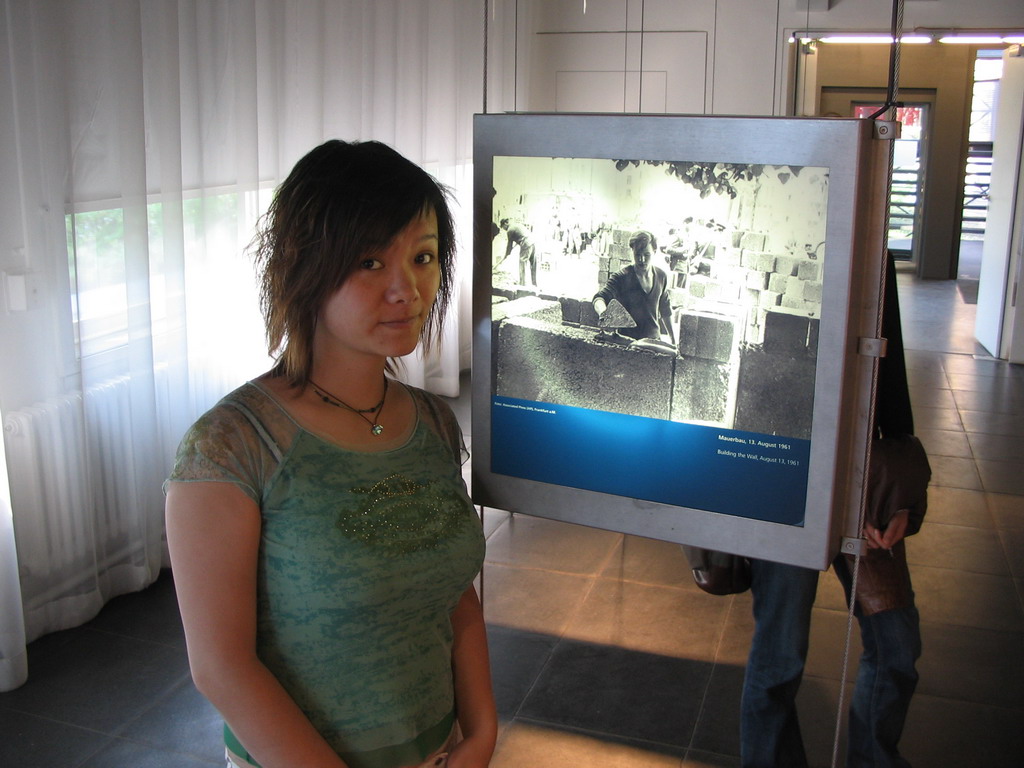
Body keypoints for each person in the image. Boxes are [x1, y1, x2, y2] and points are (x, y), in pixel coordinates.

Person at [164, 139, 497, 768]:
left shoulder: (430, 424)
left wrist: (481, 734)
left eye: (423, 258)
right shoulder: (232, 445)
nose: (407, 289)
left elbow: (453, 593)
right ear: (305, 266)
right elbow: (221, 668)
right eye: (371, 261)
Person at [741, 253, 924, 768]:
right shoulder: (784, 241)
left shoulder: (868, 232)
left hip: (863, 484)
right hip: (784, 482)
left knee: (896, 647)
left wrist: (900, 489)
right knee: (778, 659)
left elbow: (891, 370)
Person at [592, 230, 676, 344]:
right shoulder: (621, 277)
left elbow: (665, 310)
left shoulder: (661, 276)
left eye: (647, 255)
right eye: (637, 255)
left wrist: (673, 340)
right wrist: (604, 315)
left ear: (654, 252)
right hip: (626, 343)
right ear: (632, 252)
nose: (642, 260)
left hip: (653, 342)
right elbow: (599, 298)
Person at [499, 218, 536, 287]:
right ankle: (534, 283)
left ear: (505, 223)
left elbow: (509, 245)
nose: (504, 229)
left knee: (522, 262)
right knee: (533, 264)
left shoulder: (510, 230)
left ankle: (522, 284)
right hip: (533, 242)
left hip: (526, 243)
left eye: (503, 227)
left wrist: (506, 254)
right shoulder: (516, 225)